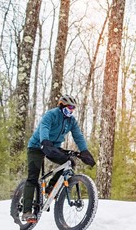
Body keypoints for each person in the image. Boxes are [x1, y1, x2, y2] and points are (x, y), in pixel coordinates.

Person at [22, 94, 96, 222]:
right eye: (69, 107)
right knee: (33, 177)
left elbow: (78, 135)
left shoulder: (71, 121)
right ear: (62, 106)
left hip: (53, 147)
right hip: (37, 146)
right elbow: (44, 127)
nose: (71, 110)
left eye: (73, 108)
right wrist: (44, 140)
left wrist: (84, 151)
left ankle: (51, 187)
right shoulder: (51, 115)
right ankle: (26, 211)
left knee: (69, 162)